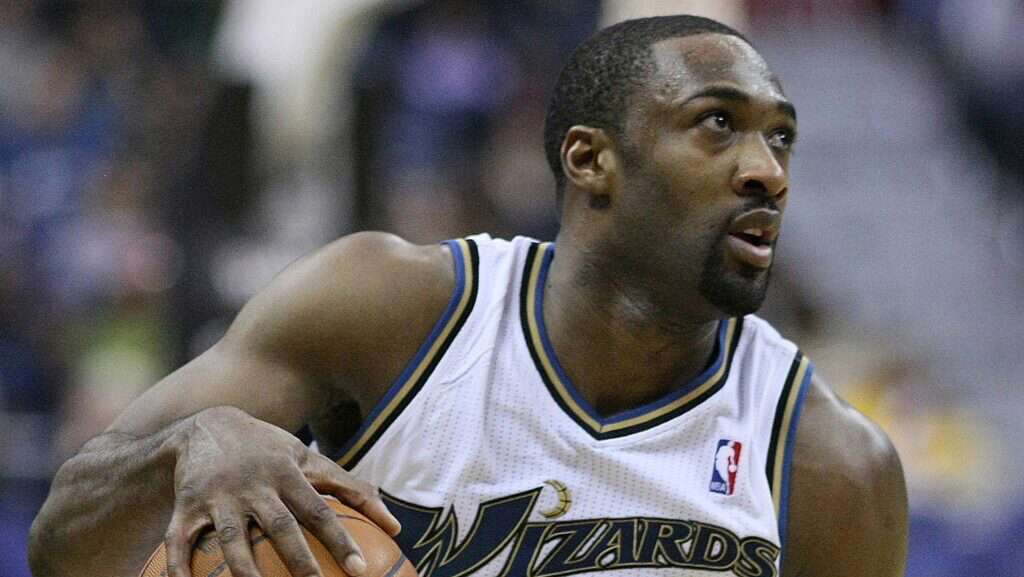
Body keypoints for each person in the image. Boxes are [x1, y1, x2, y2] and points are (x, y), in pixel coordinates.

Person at [29, 15, 907, 577]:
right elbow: (63, 542)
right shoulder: (392, 308)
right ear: (589, 160)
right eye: (718, 124)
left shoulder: (830, 465)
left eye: (781, 138)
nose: (768, 172)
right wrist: (188, 446)